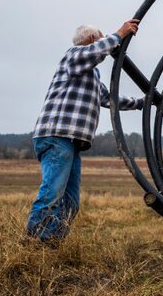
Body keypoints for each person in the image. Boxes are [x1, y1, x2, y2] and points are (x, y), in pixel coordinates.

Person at [26, 19, 144, 243]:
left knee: (71, 202)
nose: (104, 45)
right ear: (91, 40)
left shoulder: (90, 75)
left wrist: (140, 103)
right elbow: (96, 52)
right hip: (57, 135)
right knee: (52, 193)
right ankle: (33, 242)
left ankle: (50, 241)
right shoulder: (73, 56)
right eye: (100, 40)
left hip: (70, 142)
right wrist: (120, 33)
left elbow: (108, 98)